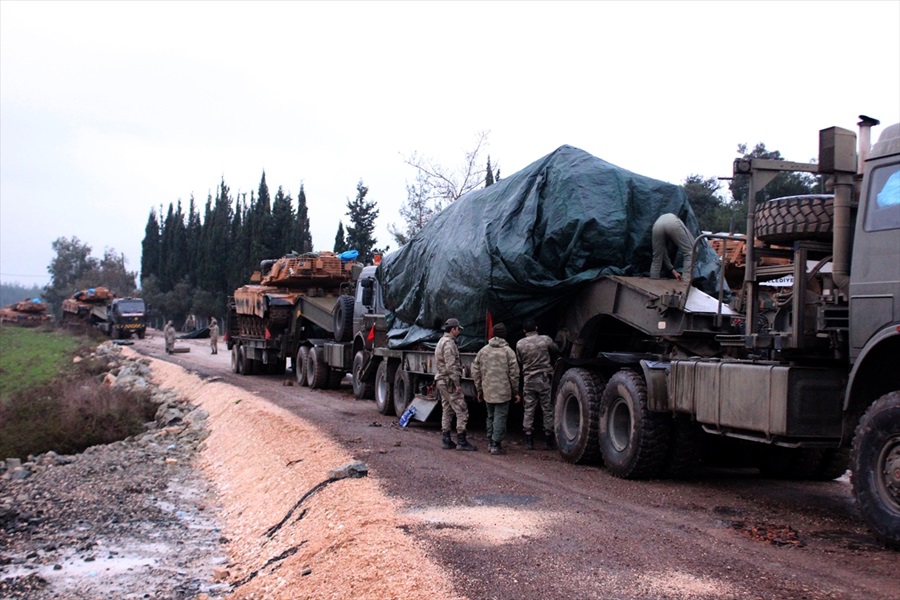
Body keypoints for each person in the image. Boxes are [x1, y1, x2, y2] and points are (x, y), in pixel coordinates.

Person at [472, 323, 520, 455]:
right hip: (503, 391)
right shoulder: (508, 352)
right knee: (500, 416)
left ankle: (490, 441)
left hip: (488, 390)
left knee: (490, 416)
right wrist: (516, 392)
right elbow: (514, 374)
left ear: (493, 334)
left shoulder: (483, 351)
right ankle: (496, 444)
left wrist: (479, 390)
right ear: (505, 335)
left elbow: (475, 371)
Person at [516, 319, 560, 450]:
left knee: (529, 408)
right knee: (547, 408)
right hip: (544, 379)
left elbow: (519, 360)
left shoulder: (520, 344)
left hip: (529, 379)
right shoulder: (545, 340)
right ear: (536, 327)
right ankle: (548, 439)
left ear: (524, 331)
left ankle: (529, 439)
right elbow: (556, 349)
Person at [434, 318, 476, 451]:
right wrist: (457, 383)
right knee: (461, 409)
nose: (459, 332)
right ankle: (461, 440)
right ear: (453, 329)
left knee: (447, 409)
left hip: (442, 381)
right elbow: (451, 365)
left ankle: (446, 439)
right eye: (458, 329)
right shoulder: (449, 344)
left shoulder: (441, 341)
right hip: (449, 381)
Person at [650, 213, 695, 280]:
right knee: (690, 252)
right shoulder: (676, 221)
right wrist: (689, 276)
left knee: (657, 258)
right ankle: (685, 284)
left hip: (657, 224)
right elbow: (692, 251)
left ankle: (652, 283)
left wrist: (673, 270)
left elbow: (662, 253)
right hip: (672, 222)